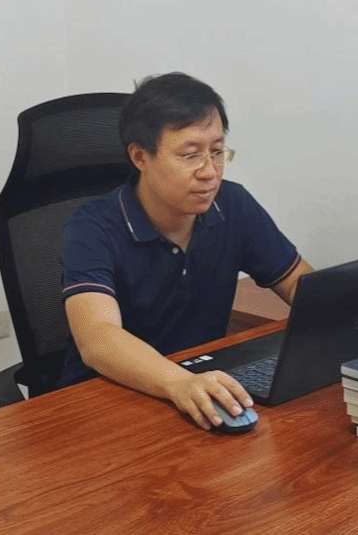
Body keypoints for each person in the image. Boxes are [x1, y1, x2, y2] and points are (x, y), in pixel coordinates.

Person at [57, 72, 313, 431]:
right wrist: (177, 382)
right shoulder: (93, 228)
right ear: (140, 157)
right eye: (190, 156)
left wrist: (356, 322)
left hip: (197, 395)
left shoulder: (233, 205)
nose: (210, 172)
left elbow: (302, 286)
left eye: (217, 152)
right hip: (104, 406)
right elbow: (98, 338)